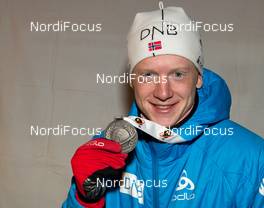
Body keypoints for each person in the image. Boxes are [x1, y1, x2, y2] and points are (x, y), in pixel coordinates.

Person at [62, 2, 264, 207]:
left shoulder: (252, 158)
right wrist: (84, 199)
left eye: (177, 74)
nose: (163, 93)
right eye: (148, 75)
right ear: (132, 80)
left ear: (199, 77)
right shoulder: (107, 152)